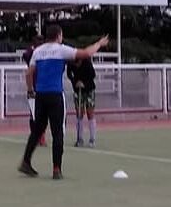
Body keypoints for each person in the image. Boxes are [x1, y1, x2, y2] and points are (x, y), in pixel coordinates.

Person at [19, 25, 109, 180]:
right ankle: (56, 168)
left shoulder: (38, 51)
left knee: (37, 130)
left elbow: (29, 73)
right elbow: (86, 53)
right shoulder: (61, 50)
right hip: (55, 95)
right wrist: (99, 44)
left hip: (40, 95)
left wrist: (30, 89)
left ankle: (26, 161)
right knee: (57, 132)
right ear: (59, 36)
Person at [67, 57, 97, 148]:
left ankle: (92, 139)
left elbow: (93, 75)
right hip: (77, 90)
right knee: (79, 113)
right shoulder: (71, 62)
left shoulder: (87, 63)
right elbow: (69, 74)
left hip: (89, 89)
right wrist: (74, 82)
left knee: (89, 113)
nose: (76, 66)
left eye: (78, 64)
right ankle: (79, 138)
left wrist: (84, 83)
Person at [22, 36, 47, 147]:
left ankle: (42, 136)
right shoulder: (31, 55)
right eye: (38, 43)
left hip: (45, 88)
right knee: (33, 114)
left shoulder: (46, 55)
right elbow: (25, 55)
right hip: (33, 87)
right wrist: (33, 49)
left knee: (43, 114)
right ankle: (35, 135)